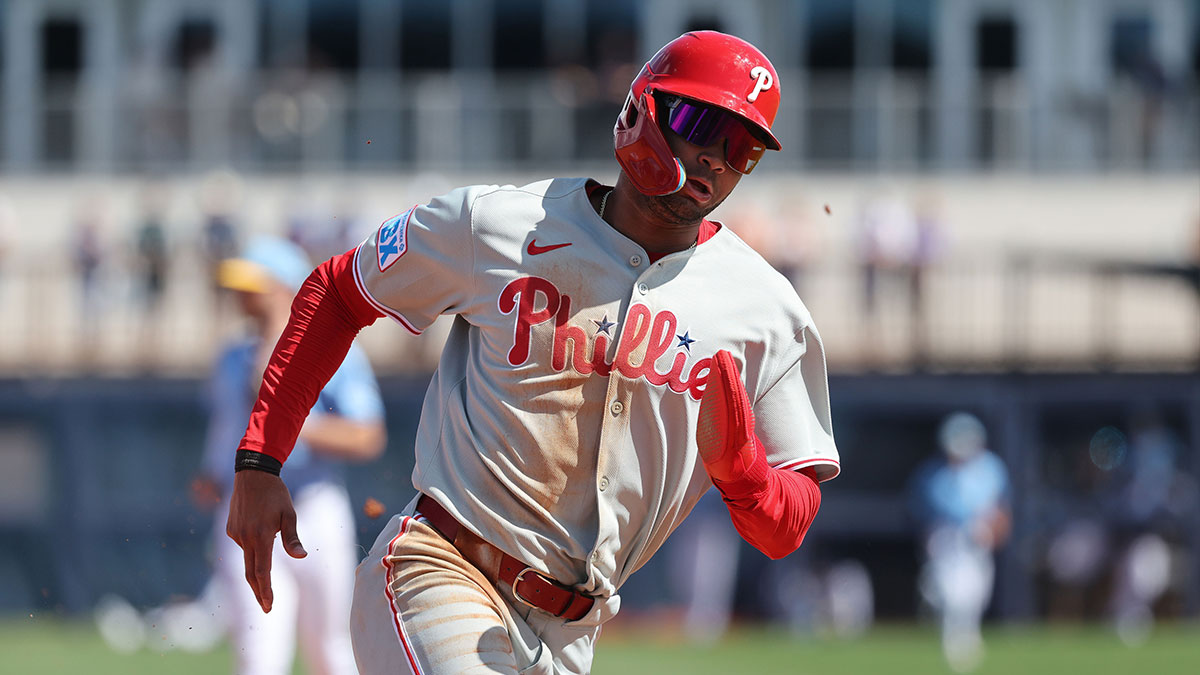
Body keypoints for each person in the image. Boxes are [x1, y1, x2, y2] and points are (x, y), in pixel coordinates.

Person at [226, 31, 839, 674]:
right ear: (643, 109)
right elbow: (337, 292)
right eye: (700, 123)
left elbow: (786, 525)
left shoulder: (765, 309)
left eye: (742, 147)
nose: (716, 157)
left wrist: (747, 478)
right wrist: (260, 461)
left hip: (573, 631)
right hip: (441, 568)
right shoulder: (498, 224)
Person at [202, 237, 387, 675]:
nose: (242, 296)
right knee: (258, 655)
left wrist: (288, 428)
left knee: (332, 652)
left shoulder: (337, 352)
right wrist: (211, 471)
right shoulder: (232, 356)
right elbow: (225, 425)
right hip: (245, 508)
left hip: (315, 507)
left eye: (254, 286)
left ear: (285, 289)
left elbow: (366, 436)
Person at [909, 412, 1010, 674]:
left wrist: (992, 531)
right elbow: (924, 515)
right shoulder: (932, 474)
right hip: (947, 540)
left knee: (975, 595)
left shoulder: (991, 467)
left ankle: (968, 636)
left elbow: (1001, 510)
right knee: (951, 595)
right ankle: (953, 642)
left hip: (979, 540)